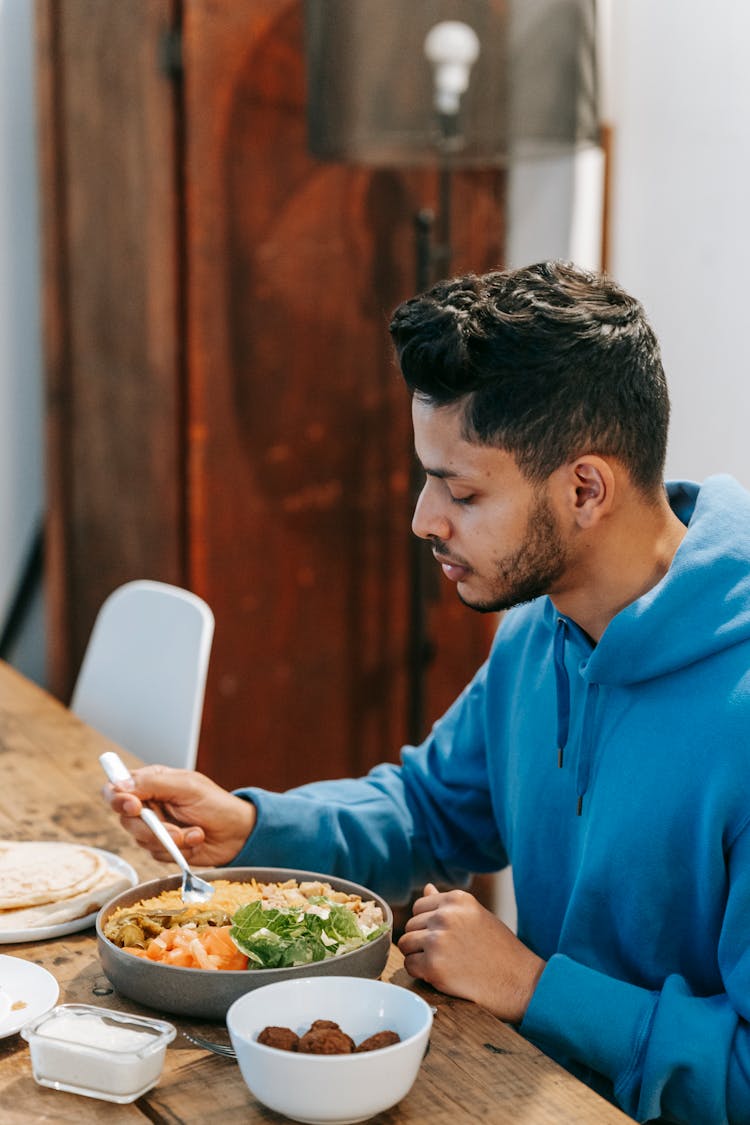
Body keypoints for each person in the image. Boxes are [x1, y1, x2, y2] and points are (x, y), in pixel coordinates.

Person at [104, 261, 750, 1124]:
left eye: (463, 488)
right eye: (428, 475)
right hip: (529, 1090)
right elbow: (432, 810)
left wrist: (533, 987)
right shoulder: (543, 624)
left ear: (585, 488)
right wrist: (255, 827)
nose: (423, 518)